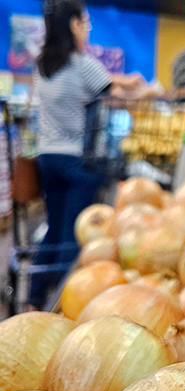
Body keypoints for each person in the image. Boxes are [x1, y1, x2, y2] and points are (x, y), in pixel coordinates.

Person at [26, 0, 146, 310]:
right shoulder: (83, 65)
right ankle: (62, 305)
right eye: (86, 24)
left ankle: (34, 297)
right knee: (73, 236)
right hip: (76, 161)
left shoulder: (43, 67)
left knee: (53, 228)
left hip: (47, 158)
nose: (87, 31)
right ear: (74, 25)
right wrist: (147, 90)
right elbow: (118, 97)